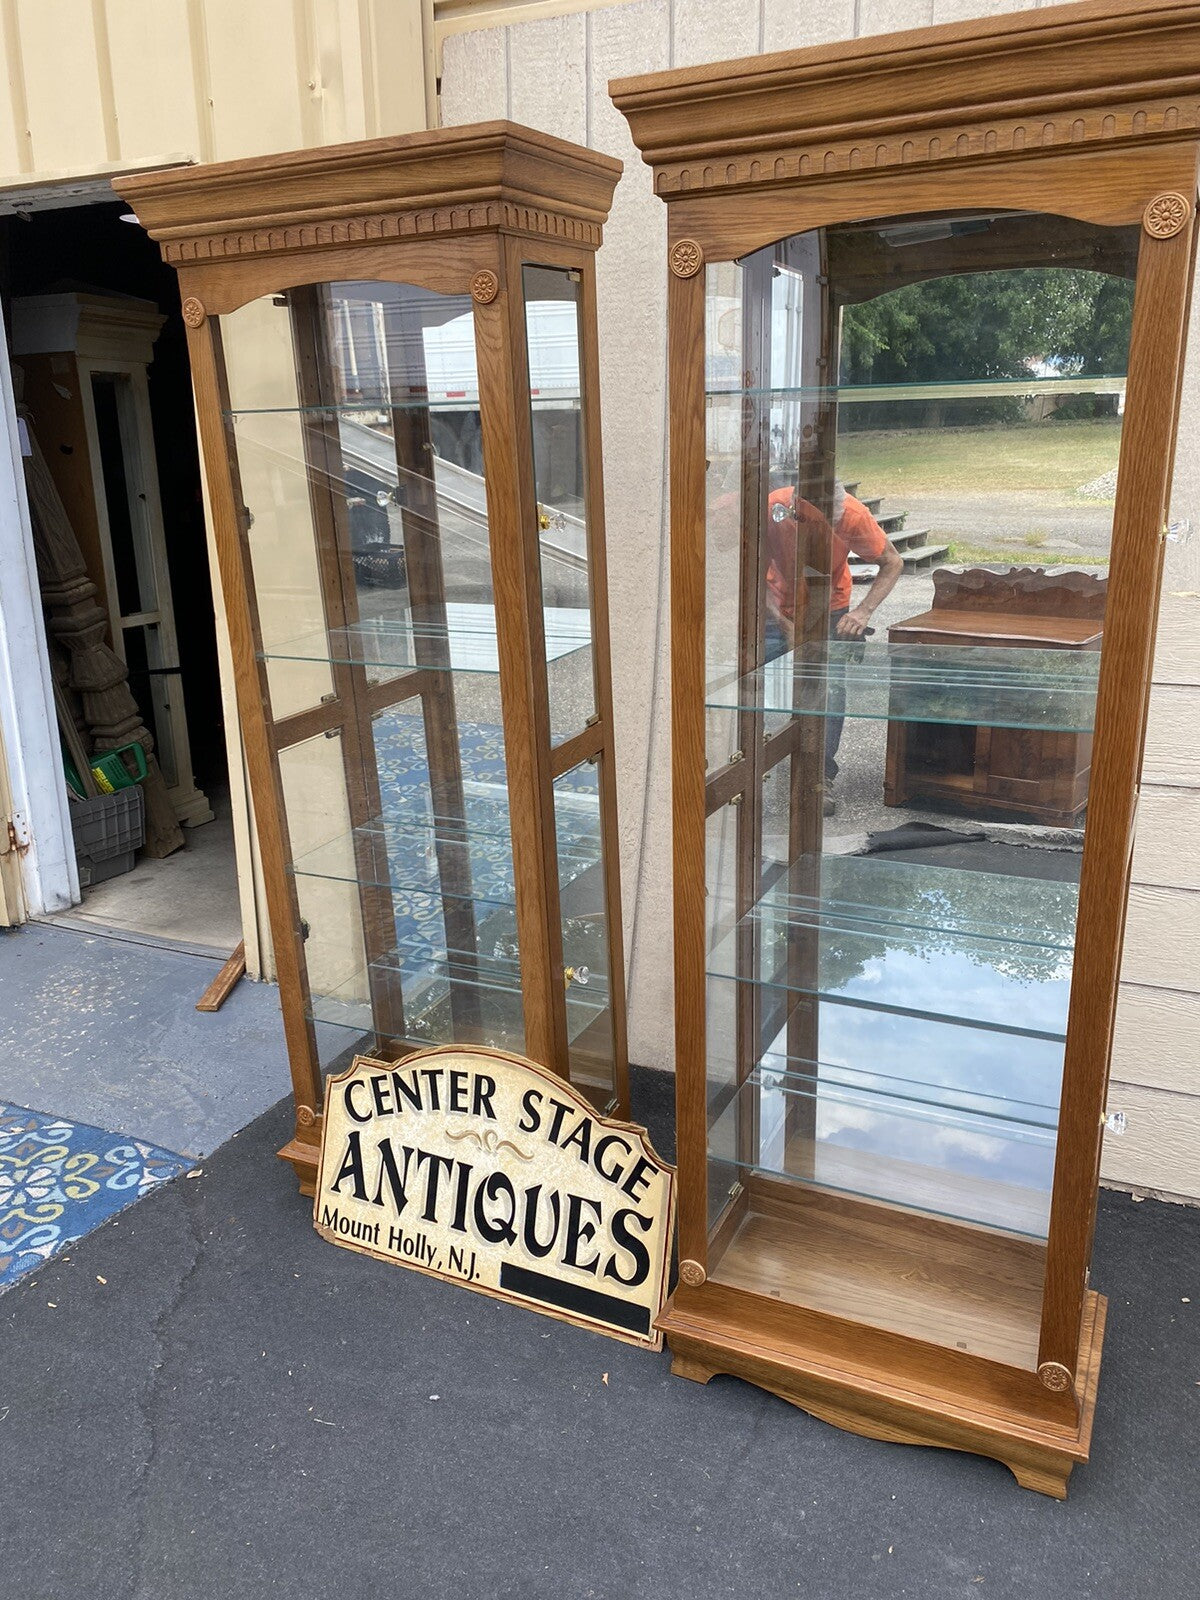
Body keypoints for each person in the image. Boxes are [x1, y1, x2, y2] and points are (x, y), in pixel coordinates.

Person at [764, 480, 903, 803]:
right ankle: (751, 764)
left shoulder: (854, 515)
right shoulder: (774, 508)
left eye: (829, 522)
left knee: (830, 688)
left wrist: (863, 612)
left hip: (830, 606)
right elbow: (750, 572)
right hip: (777, 604)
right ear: (795, 507)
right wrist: (783, 624)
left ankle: (819, 776)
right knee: (750, 681)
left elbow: (893, 562)